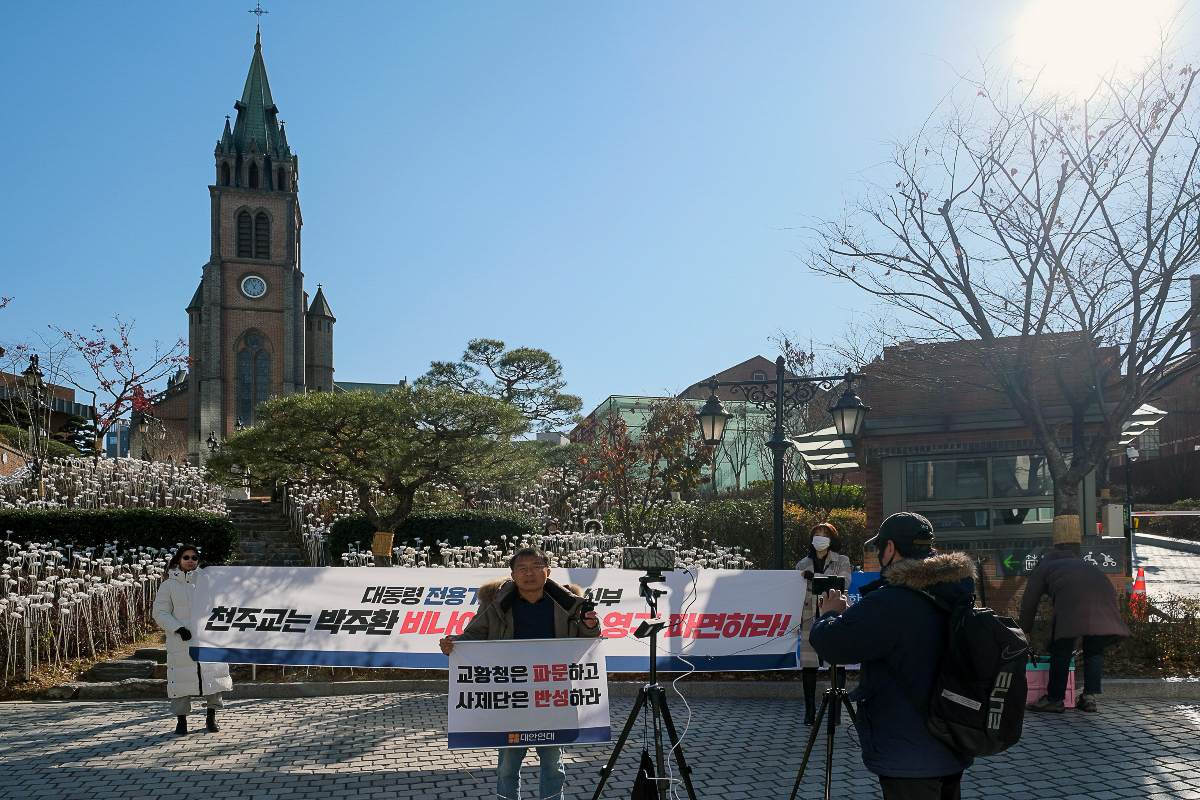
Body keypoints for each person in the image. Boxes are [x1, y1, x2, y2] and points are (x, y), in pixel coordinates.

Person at [810, 512, 976, 800]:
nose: (877, 555)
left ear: (890, 549)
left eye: (879, 548)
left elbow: (832, 645)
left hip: (908, 751)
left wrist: (830, 615)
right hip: (951, 738)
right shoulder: (955, 590)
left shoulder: (891, 600)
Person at [439, 547, 600, 800]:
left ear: (548, 572)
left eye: (536, 567)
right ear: (512, 575)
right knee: (507, 767)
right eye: (522, 569)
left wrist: (591, 626)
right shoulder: (496, 605)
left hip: (553, 696)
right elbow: (473, 635)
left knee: (553, 765)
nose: (529, 574)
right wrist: (454, 644)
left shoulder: (568, 604)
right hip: (512, 697)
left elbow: (586, 641)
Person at [1019, 539, 1131, 713]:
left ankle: (1054, 699)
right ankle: (1089, 698)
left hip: (1074, 604)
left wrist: (1025, 631)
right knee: (1093, 650)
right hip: (1104, 600)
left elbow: (1029, 603)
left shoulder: (1042, 568)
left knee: (1061, 650)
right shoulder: (1080, 564)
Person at [152, 544, 233, 736]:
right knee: (180, 681)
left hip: (208, 639)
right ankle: (181, 721)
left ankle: (211, 717)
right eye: (186, 557)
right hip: (181, 641)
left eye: (194, 558)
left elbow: (221, 605)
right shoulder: (169, 585)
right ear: (178, 560)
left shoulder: (209, 583)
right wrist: (178, 628)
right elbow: (160, 612)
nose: (190, 561)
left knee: (213, 676)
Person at [795, 522, 853, 725]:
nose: (820, 537)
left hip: (835, 613)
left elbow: (842, 583)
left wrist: (814, 578)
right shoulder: (803, 563)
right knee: (809, 665)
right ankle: (809, 712)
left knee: (836, 663)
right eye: (817, 534)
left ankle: (835, 713)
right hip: (810, 615)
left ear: (832, 539)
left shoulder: (842, 560)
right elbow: (797, 589)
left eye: (824, 534)